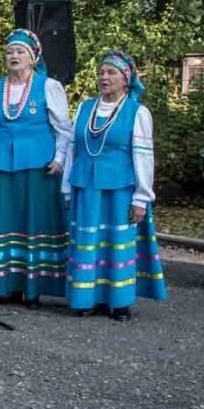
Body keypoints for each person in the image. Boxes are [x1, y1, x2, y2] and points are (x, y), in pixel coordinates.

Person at [61, 50, 167, 320]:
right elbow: (73, 149)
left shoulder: (137, 112)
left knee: (116, 242)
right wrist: (66, 186)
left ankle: (118, 302)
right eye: (101, 72)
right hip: (86, 186)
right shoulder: (85, 107)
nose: (104, 77)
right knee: (88, 241)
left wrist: (142, 198)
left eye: (111, 73)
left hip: (120, 189)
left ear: (125, 79)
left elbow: (143, 156)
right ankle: (88, 298)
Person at [0, 30, 72, 307]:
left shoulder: (49, 86)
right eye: (9, 52)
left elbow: (64, 129)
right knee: (4, 222)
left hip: (39, 167)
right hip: (1, 165)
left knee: (34, 223)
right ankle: (3, 286)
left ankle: (33, 288)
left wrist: (60, 159)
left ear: (33, 58)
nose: (14, 56)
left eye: (20, 52)